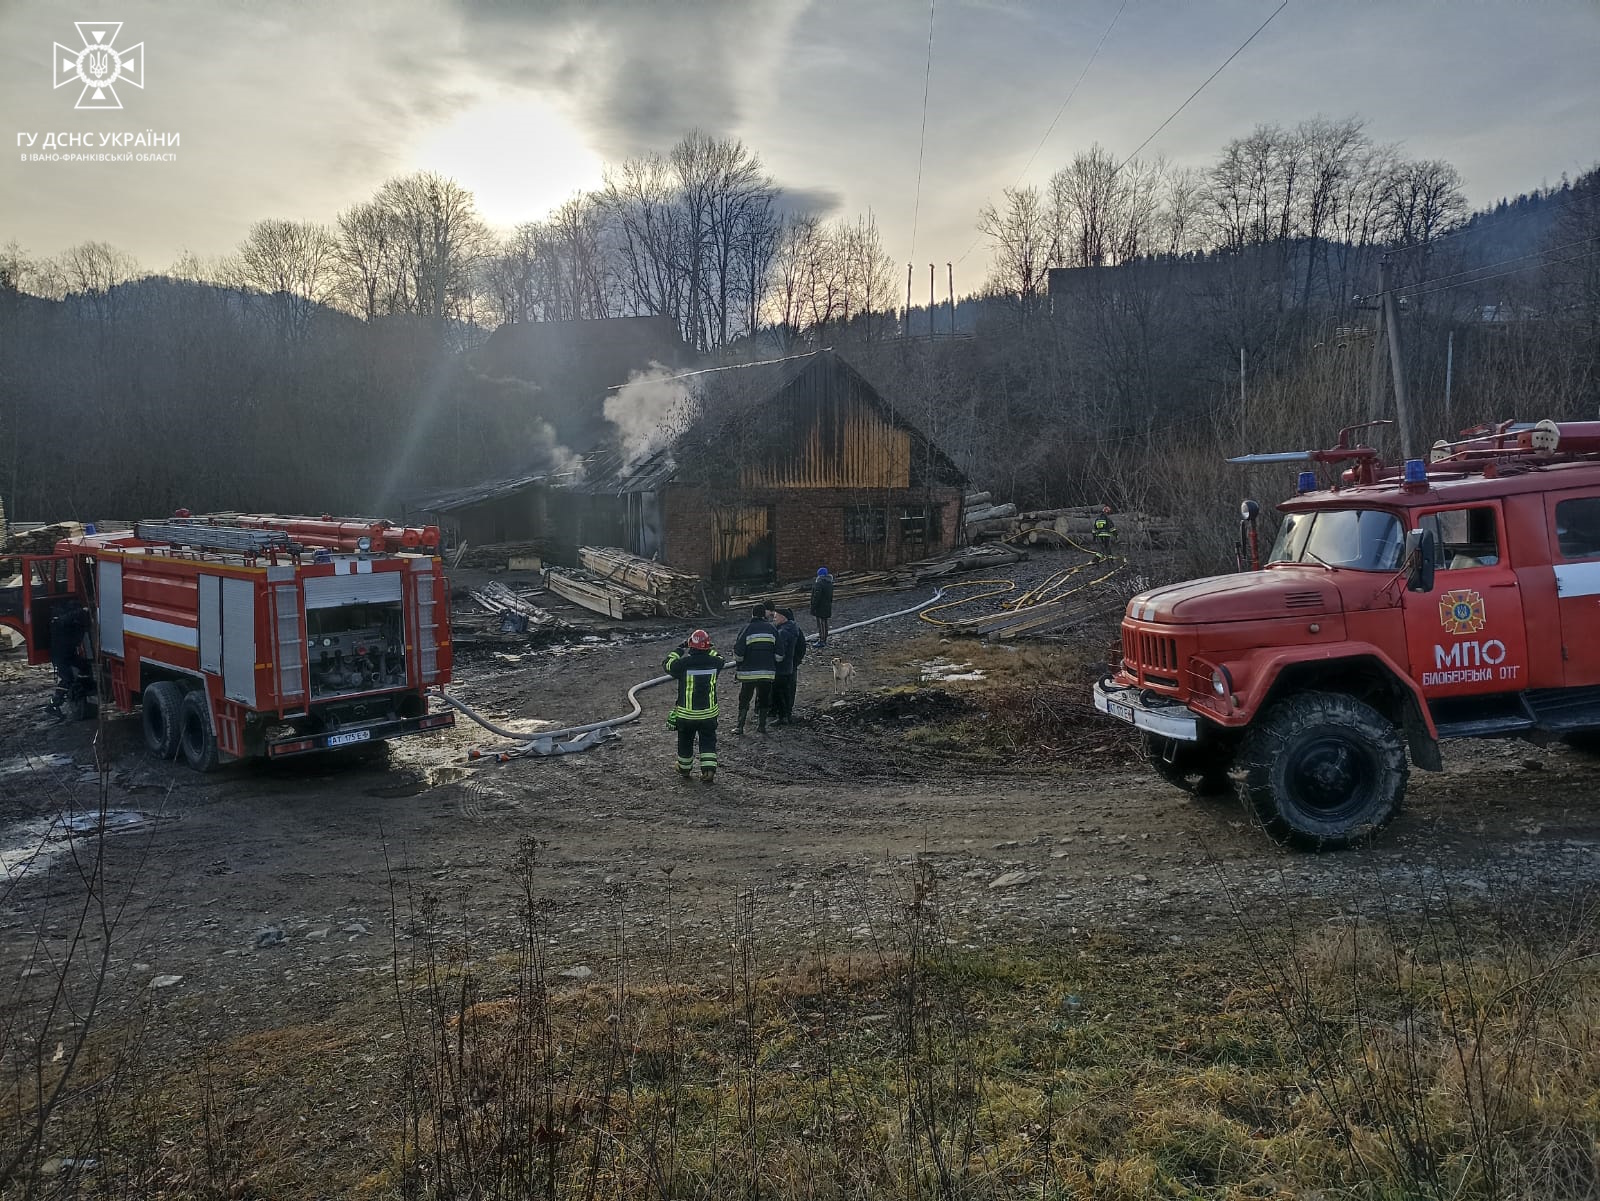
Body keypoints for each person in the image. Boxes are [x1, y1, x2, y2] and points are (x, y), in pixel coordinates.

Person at [663, 629, 725, 783]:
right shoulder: (716, 663)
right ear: (707, 647)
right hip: (708, 715)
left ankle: (684, 768)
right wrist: (707, 648)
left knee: (685, 741)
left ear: (691, 646)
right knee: (708, 741)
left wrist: (680, 648)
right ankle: (708, 770)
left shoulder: (683, 664)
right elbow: (719, 656)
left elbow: (667, 664)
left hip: (686, 715)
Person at [733, 603, 781, 734]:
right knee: (764, 698)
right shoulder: (772, 629)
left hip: (748, 674)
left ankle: (740, 726)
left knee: (744, 698)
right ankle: (762, 726)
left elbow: (738, 653)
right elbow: (779, 654)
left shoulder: (746, 629)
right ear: (764, 614)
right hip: (767, 673)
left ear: (753, 614)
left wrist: (740, 666)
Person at [770, 606, 806, 725]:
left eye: (776, 616)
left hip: (782, 668)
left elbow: (778, 651)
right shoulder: (794, 628)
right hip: (790, 666)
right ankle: (787, 715)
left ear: (783, 617)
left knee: (780, 692)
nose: (774, 618)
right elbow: (802, 647)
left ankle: (783, 716)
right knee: (788, 691)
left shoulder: (783, 632)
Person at [810, 567, 834, 647]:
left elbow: (816, 597)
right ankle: (824, 638)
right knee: (825, 623)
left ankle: (822, 640)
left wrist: (813, 606)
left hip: (820, 607)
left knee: (821, 624)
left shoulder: (819, 583)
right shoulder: (829, 583)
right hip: (827, 606)